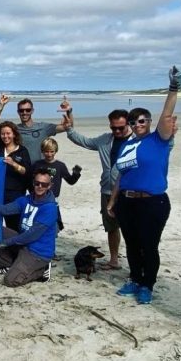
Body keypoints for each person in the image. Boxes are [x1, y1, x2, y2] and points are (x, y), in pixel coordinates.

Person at [107, 66, 181, 305]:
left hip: (153, 202)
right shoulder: (127, 145)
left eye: (141, 120)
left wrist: (173, 88)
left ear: (148, 122)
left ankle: (147, 285)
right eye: (133, 121)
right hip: (126, 201)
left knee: (149, 246)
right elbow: (121, 175)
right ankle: (135, 279)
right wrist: (112, 200)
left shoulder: (159, 140)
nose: (137, 124)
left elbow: (167, 115)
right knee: (132, 244)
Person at [64, 108, 131, 271]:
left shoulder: (137, 142)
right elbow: (84, 141)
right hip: (107, 191)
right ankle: (114, 260)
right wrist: (69, 128)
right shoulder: (105, 140)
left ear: (128, 123)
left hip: (129, 192)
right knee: (111, 227)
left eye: (120, 128)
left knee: (131, 230)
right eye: (113, 127)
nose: (116, 131)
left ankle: (136, 264)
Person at [0, 168, 59, 287]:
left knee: (10, 281)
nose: (40, 186)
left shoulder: (49, 208)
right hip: (24, 244)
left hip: (37, 252)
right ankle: (8, 264)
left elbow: (32, 235)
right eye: (37, 183)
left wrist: (8, 242)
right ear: (33, 183)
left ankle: (41, 270)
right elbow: (4, 210)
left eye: (44, 184)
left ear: (50, 186)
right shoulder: (26, 200)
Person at [0, 94, 32, 269]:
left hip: (15, 195)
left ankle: (14, 256)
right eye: (3, 134)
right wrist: (0, 106)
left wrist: (14, 164)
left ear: (14, 135)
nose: (5, 136)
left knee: (13, 228)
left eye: (8, 133)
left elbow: (27, 172)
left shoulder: (23, 151)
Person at [31, 137, 81, 232]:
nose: (49, 154)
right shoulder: (37, 164)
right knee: (37, 225)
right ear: (42, 151)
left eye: (51, 151)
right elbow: (30, 181)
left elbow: (70, 181)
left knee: (54, 226)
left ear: (55, 151)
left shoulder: (60, 166)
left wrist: (76, 174)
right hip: (37, 200)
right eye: (46, 151)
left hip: (53, 201)